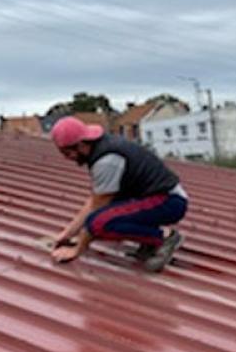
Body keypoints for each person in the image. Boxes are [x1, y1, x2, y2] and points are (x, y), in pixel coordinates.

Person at [49, 115, 187, 272]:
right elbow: (97, 198)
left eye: (67, 153)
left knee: (98, 224)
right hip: (152, 197)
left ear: (80, 145)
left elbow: (96, 206)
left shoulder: (106, 160)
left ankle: (164, 237)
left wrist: (77, 249)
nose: (68, 159)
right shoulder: (101, 148)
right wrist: (66, 235)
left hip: (169, 201)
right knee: (105, 216)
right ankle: (150, 240)